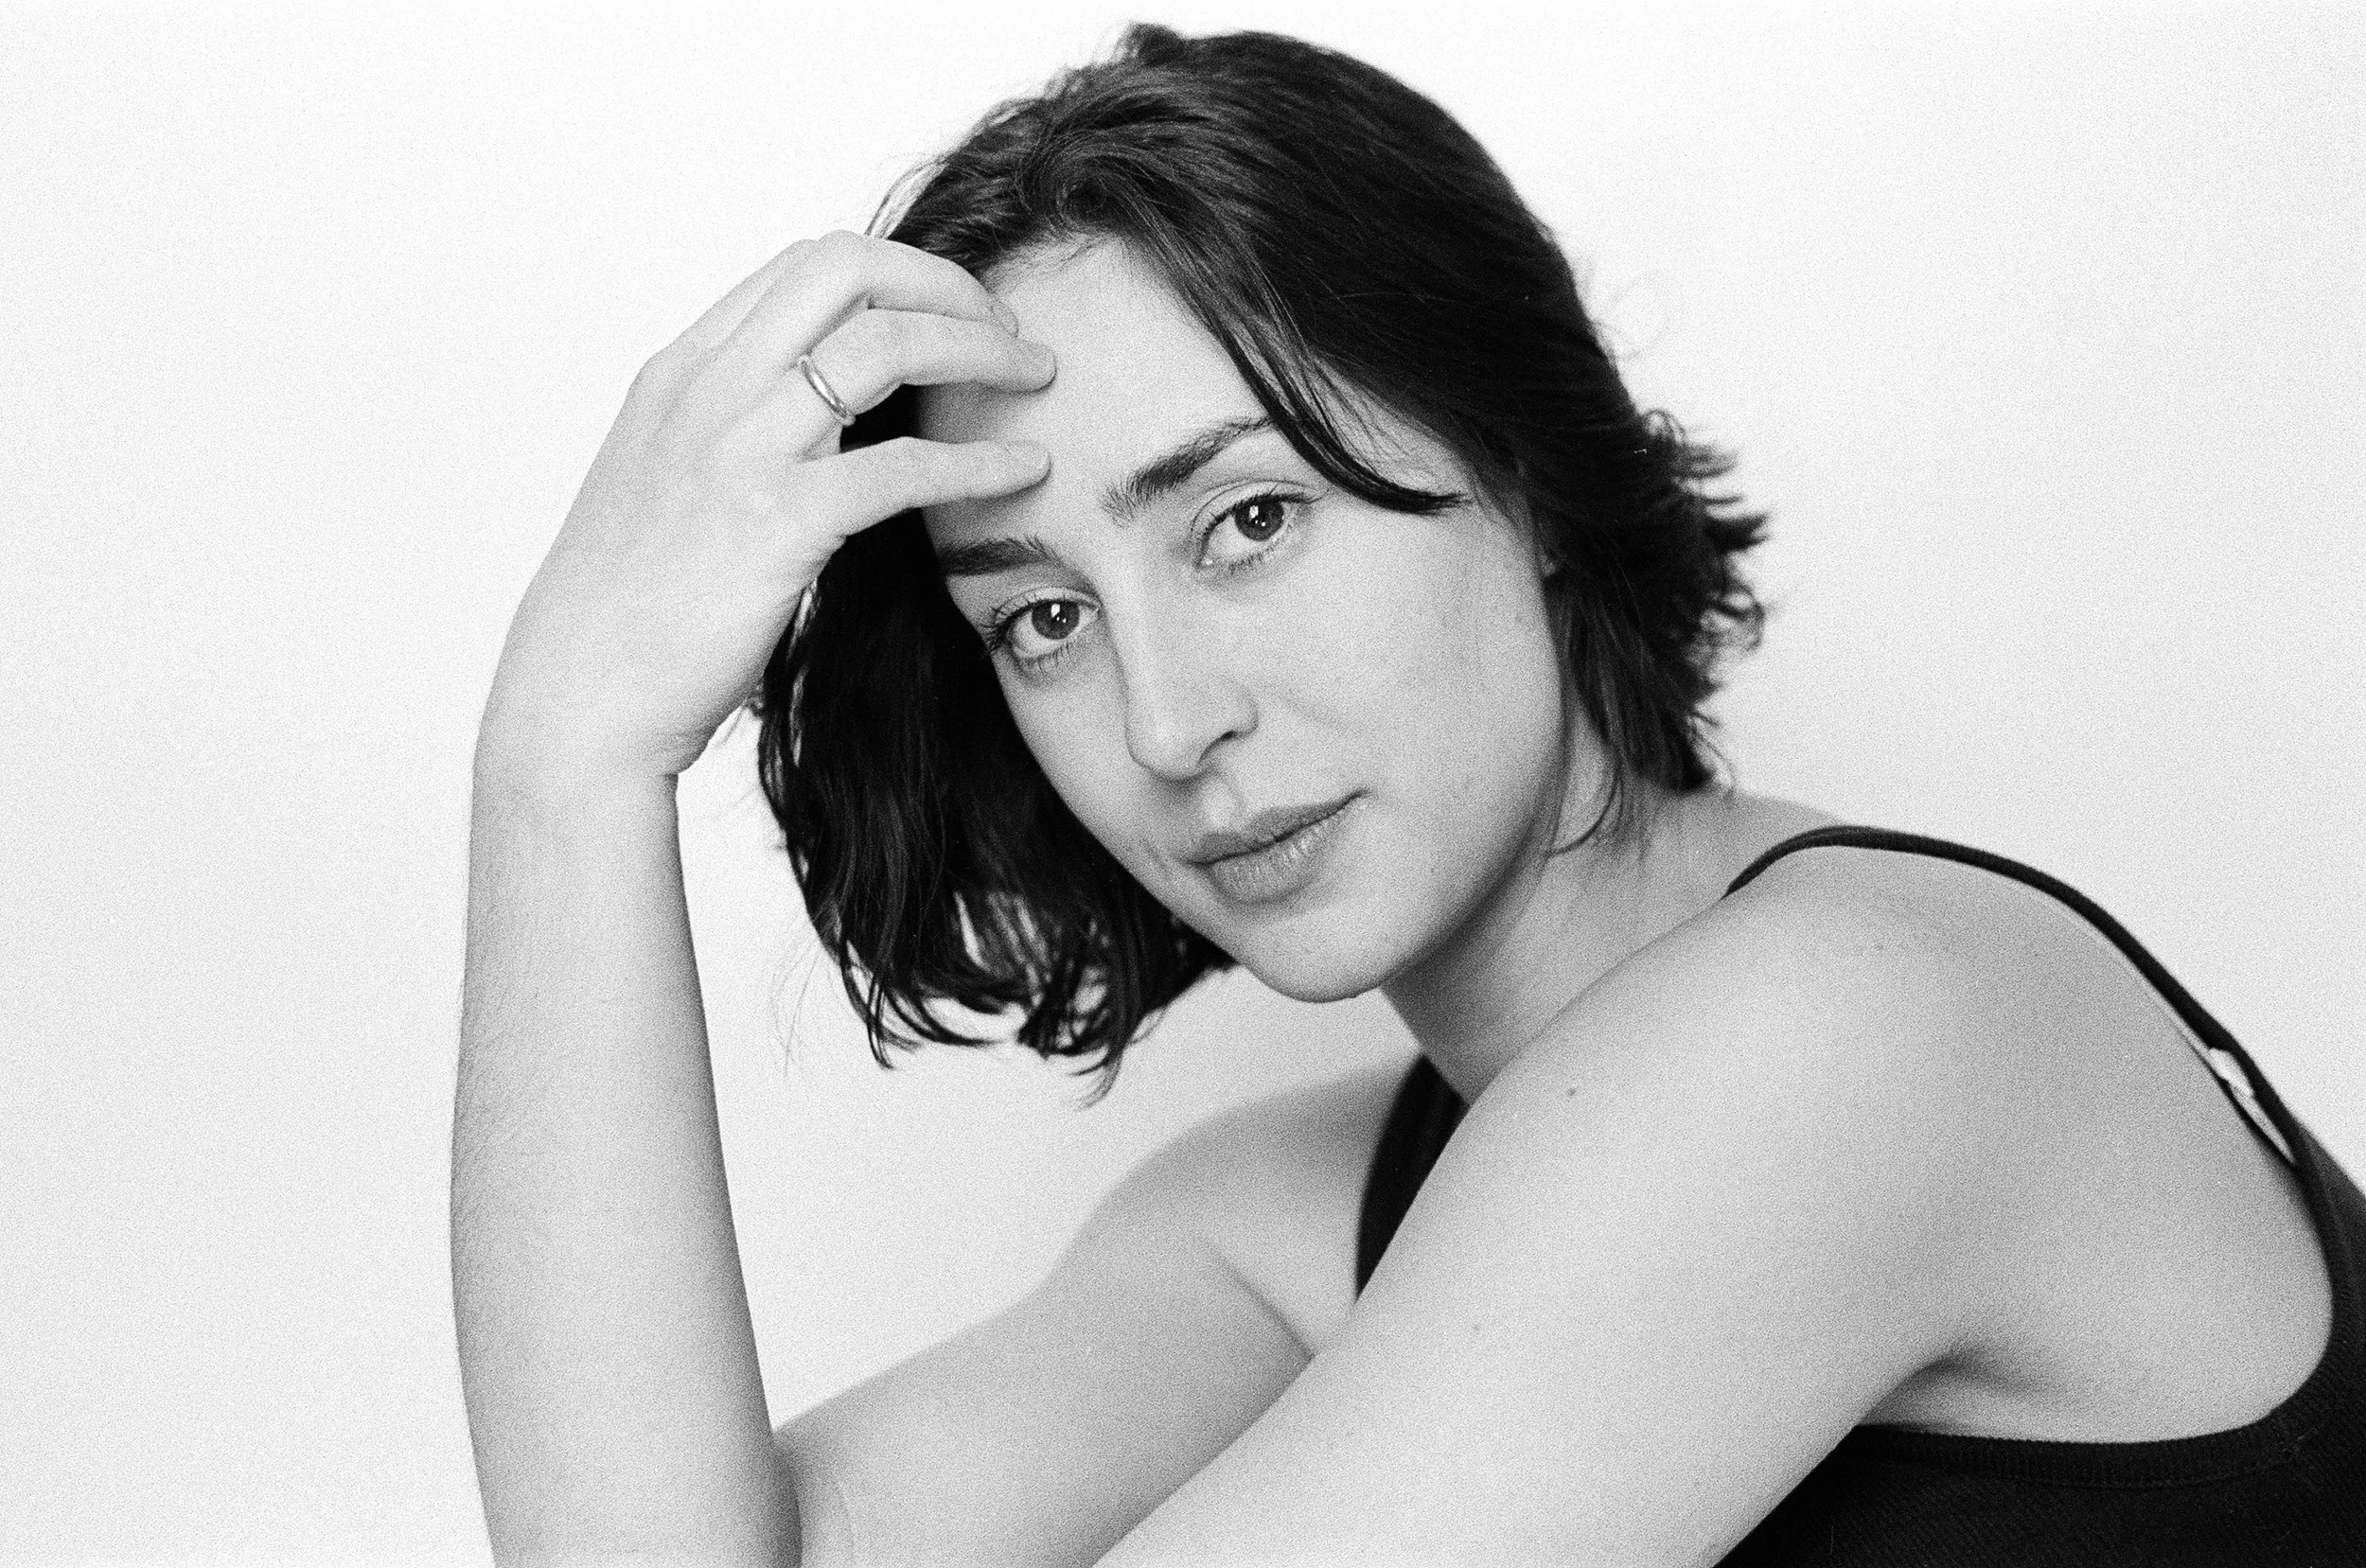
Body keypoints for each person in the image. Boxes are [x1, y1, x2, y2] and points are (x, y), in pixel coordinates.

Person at [450, 24, 2366, 1566]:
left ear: (1526, 471)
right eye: (1041, 618)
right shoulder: (1281, 1221)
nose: (1165, 721)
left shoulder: (1855, 1027)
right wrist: (567, 758)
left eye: (1246, 520)